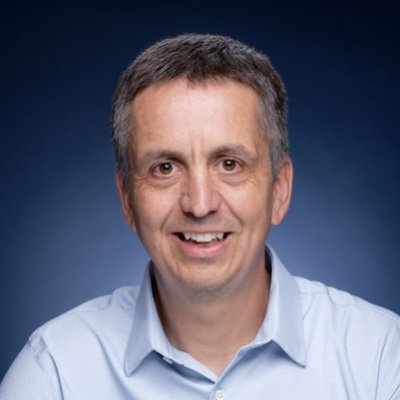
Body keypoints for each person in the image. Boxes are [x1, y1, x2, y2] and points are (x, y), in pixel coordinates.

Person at [1, 34, 399, 399]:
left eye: (229, 163)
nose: (200, 203)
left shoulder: (381, 358)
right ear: (126, 199)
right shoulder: (55, 371)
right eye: (165, 168)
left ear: (279, 189)